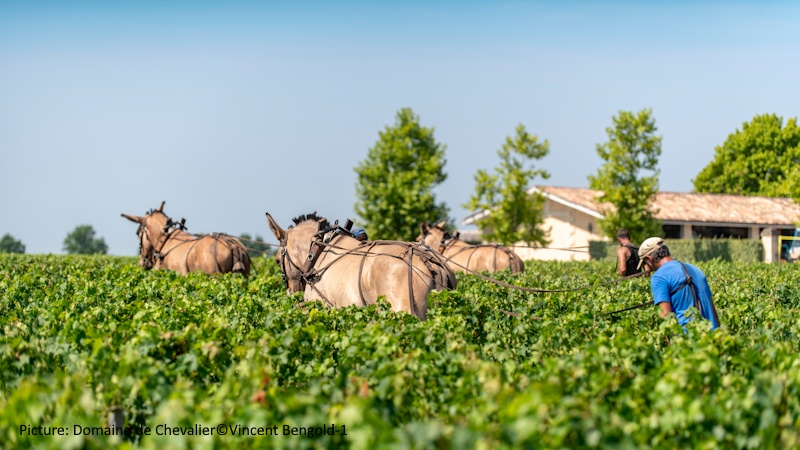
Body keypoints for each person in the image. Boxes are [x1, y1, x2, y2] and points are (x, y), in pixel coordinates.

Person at [637, 237, 720, 330]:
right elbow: (713, 310)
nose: (647, 268)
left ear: (649, 259)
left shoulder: (659, 277)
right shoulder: (696, 270)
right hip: (714, 336)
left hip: (688, 340)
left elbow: (666, 318)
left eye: (645, 263)